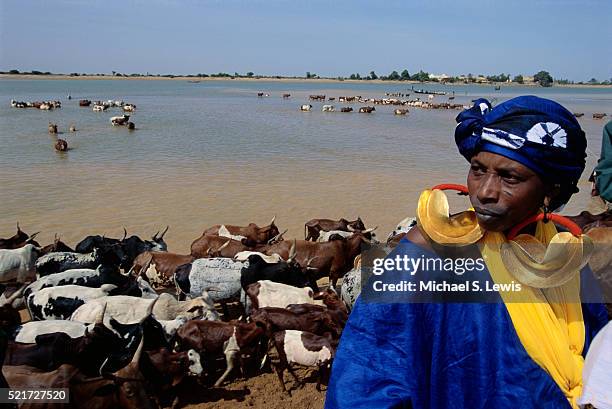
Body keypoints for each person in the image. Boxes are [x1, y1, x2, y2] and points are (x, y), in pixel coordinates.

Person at [325, 96, 609, 409]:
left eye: (509, 177)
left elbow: (596, 352)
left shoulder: (564, 254)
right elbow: (365, 379)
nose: (485, 191)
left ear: (551, 190)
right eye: (477, 169)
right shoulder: (426, 256)